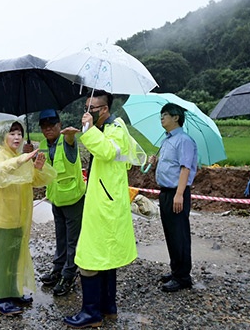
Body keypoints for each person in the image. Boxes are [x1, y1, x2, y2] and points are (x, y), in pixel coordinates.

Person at [62, 90, 137, 328]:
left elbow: (107, 151)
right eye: (85, 107)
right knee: (106, 257)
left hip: (106, 206)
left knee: (88, 258)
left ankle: (91, 312)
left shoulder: (116, 128)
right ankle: (107, 307)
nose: (86, 112)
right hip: (104, 203)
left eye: (91, 108)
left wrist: (89, 130)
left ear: (103, 109)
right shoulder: (106, 128)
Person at [0, 120, 57, 316]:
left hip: (19, 221)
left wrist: (38, 167)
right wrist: (22, 159)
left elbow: (34, 181)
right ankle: (1, 300)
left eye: (19, 134)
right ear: (2, 136)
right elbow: (0, 173)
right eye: (12, 133)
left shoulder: (19, 157)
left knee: (15, 259)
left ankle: (13, 293)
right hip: (1, 220)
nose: (17, 137)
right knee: (2, 262)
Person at [34, 109, 86, 297]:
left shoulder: (67, 141)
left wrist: (71, 137)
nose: (48, 129)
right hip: (56, 199)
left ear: (59, 125)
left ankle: (68, 275)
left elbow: (71, 145)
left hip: (73, 198)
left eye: (52, 125)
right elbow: (41, 173)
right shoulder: (42, 145)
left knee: (72, 240)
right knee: (60, 237)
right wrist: (30, 159)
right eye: (44, 126)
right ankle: (58, 269)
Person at [149, 103, 198, 293]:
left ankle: (183, 277)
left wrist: (179, 194)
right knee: (170, 233)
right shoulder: (167, 140)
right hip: (166, 192)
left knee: (180, 234)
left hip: (177, 193)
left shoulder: (183, 140)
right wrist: (154, 162)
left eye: (165, 115)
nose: (162, 118)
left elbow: (185, 168)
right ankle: (175, 270)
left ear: (176, 117)